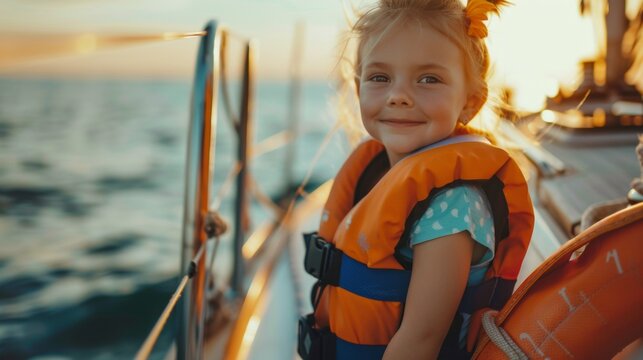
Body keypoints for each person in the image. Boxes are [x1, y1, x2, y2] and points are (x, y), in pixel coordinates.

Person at [297, 0, 535, 359]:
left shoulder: (453, 208)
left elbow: (421, 340)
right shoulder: (381, 170)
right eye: (380, 77)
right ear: (358, 85)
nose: (399, 96)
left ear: (471, 101)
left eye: (429, 79)